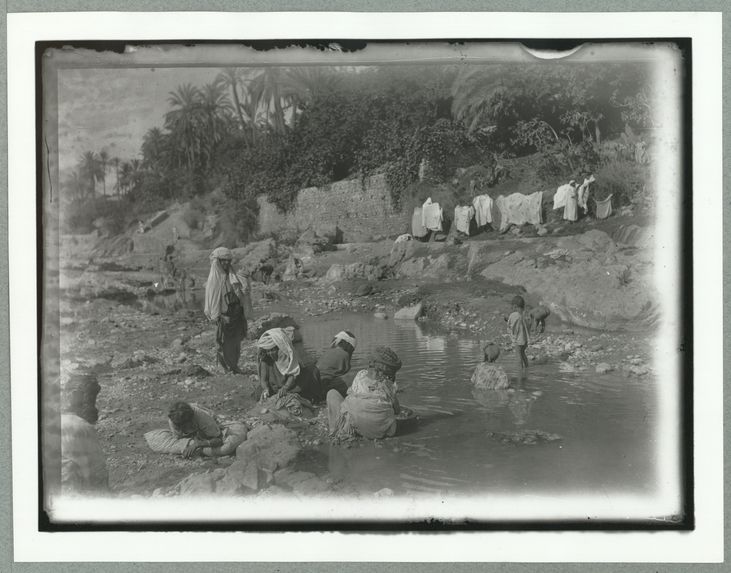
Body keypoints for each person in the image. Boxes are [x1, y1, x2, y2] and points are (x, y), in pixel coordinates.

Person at [327, 346, 406, 440]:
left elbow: (353, 395)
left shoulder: (360, 376)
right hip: (383, 431)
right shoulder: (389, 384)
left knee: (332, 394)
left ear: (370, 363)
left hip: (358, 426)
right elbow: (397, 410)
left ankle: (334, 432)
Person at [60, 372, 109, 495]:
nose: (95, 407)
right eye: (92, 399)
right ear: (74, 396)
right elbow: (99, 476)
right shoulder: (81, 427)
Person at [144, 401, 248, 458]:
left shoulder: (202, 418)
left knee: (226, 448)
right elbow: (178, 437)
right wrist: (189, 443)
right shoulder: (173, 419)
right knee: (169, 444)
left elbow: (218, 439)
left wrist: (198, 444)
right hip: (193, 437)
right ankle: (198, 449)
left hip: (214, 431)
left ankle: (199, 449)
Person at [204, 247, 249, 374]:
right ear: (217, 261)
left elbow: (242, 291)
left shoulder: (233, 275)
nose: (226, 263)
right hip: (223, 315)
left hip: (236, 313)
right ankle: (224, 368)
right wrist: (216, 315)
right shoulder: (214, 279)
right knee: (222, 342)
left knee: (235, 342)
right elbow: (212, 300)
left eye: (228, 260)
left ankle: (234, 365)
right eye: (223, 260)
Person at [257, 327, 325, 403]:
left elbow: (293, 374)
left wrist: (285, 387)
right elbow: (264, 379)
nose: (270, 353)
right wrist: (266, 389)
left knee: (312, 370)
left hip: (292, 386)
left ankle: (316, 399)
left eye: (273, 350)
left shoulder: (287, 355)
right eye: (268, 351)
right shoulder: (265, 361)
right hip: (276, 390)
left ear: (279, 348)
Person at [315, 330, 356, 398]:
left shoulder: (328, 351)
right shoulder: (344, 354)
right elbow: (345, 370)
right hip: (325, 384)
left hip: (316, 383)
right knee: (354, 377)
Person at [507, 295, 529, 371]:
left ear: (515, 306)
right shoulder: (523, 315)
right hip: (525, 340)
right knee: (522, 353)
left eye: (512, 308)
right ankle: (527, 368)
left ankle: (520, 373)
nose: (512, 309)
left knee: (518, 356)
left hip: (518, 340)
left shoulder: (513, 315)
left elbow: (510, 325)